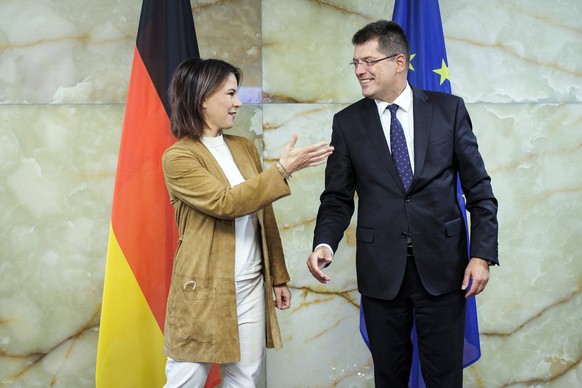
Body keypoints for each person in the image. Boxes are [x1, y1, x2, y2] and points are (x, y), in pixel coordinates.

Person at [307, 20, 498, 387]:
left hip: (445, 272)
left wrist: (482, 254)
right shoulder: (347, 123)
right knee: (390, 377)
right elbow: (336, 198)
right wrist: (324, 242)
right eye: (355, 63)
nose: (360, 70)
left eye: (368, 61)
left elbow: (479, 189)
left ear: (399, 62)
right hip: (381, 273)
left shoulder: (448, 110)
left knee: (443, 378)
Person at [161, 58, 333, 388]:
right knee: (185, 381)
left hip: (252, 284)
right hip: (203, 290)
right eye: (230, 93)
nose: (238, 102)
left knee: (244, 378)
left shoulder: (243, 147)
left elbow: (262, 213)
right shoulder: (179, 157)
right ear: (203, 99)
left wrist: (278, 277)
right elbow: (226, 203)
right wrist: (281, 170)